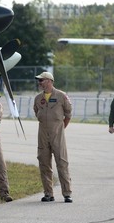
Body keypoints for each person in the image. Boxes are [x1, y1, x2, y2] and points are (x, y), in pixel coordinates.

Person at [33, 71, 73, 203]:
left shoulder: (61, 96)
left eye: (41, 80)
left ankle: (67, 193)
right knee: (44, 163)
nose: (39, 83)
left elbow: (68, 114)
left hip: (57, 133)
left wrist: (60, 128)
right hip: (43, 133)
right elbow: (36, 112)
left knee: (62, 162)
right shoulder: (38, 98)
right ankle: (48, 193)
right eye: (39, 81)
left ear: (49, 81)